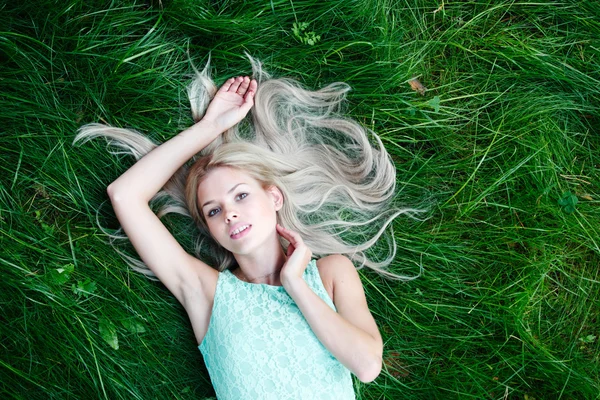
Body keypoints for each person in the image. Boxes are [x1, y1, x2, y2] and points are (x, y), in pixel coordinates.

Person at [74, 55, 422, 399]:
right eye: (213, 211)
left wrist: (295, 284)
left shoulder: (332, 273)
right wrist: (208, 128)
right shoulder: (206, 292)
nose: (229, 214)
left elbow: (366, 366)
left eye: (240, 195)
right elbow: (124, 196)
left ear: (273, 197)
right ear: (210, 229)